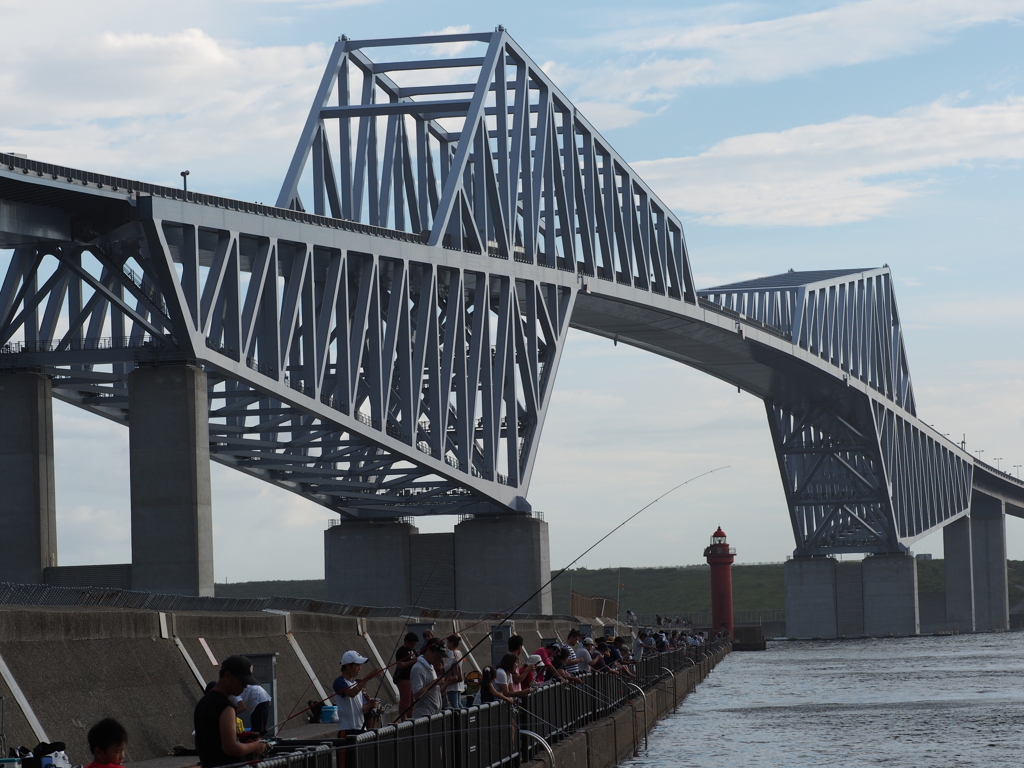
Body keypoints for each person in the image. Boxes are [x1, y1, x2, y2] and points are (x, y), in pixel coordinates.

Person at [194, 655, 268, 768]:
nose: (245, 686)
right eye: (242, 681)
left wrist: (243, 736)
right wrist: (255, 746)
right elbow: (231, 748)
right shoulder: (226, 707)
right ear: (227, 676)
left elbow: (214, 737)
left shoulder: (203, 703)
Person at [333, 650, 382, 738]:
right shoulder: (339, 682)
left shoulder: (356, 684)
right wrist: (366, 678)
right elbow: (351, 693)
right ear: (348, 666)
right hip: (347, 730)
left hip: (361, 729)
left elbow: (361, 708)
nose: (360, 668)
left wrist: (370, 705)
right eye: (357, 665)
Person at [410, 640, 446, 719]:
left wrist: (447, 684)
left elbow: (435, 693)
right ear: (429, 651)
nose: (439, 659)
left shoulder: (431, 666)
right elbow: (417, 695)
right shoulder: (418, 668)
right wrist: (435, 682)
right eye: (438, 655)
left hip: (434, 715)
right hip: (423, 716)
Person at [393, 632, 418, 720]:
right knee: (405, 702)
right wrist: (413, 661)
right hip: (404, 679)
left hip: (412, 679)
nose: (413, 646)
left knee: (411, 702)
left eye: (414, 644)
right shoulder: (401, 651)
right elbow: (400, 665)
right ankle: (403, 720)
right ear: (406, 642)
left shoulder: (413, 651)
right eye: (412, 644)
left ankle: (410, 719)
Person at [442, 634, 465, 709]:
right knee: (459, 703)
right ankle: (463, 716)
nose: (447, 644)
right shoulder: (459, 652)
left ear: (451, 643)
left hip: (452, 681)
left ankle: (458, 719)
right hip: (458, 679)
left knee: (454, 704)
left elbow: (447, 666)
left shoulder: (452, 652)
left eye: (448, 642)